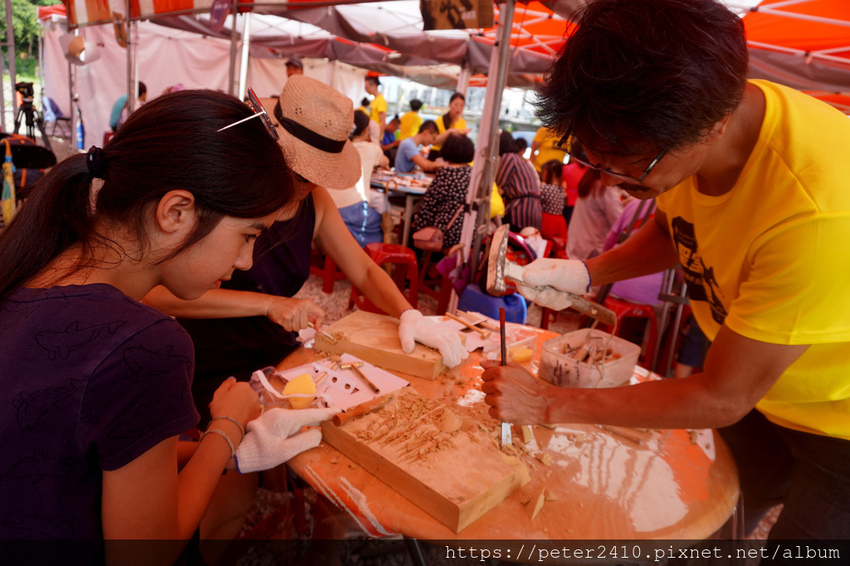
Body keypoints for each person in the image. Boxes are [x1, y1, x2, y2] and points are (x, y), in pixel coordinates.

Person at [482, 0, 850, 543]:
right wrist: (588, 273)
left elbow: (723, 395)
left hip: (837, 419)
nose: (610, 181)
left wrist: (551, 402)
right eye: (596, 158)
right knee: (707, 529)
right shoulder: (692, 127)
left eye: (629, 163)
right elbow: (675, 230)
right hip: (760, 395)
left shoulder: (817, 211)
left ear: (714, 125)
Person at [0, 90, 331, 560]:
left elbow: (74, 456)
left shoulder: (29, 268)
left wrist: (222, 444)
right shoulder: (145, 345)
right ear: (176, 212)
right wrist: (227, 426)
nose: (245, 260)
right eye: (248, 234)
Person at [144, 76, 466, 426]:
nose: (304, 185)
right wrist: (268, 304)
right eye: (298, 173)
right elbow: (155, 294)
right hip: (212, 354)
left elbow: (365, 270)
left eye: (314, 175)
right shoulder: (224, 190)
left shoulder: (314, 201)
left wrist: (409, 315)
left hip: (277, 349)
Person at [328, 111, 388, 246]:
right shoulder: (372, 148)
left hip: (328, 207)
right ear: (367, 130)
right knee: (381, 222)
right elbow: (385, 162)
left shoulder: (335, 146)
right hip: (353, 211)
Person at [410, 133, 476, 250]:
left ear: (447, 150)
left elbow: (428, 206)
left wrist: (417, 227)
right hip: (469, 232)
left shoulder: (446, 173)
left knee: (412, 228)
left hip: (444, 234)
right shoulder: (473, 174)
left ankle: (415, 265)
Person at [565, 167, 624, 261]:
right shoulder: (604, 188)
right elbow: (620, 223)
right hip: (592, 249)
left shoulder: (590, 181)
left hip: (577, 246)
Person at [495, 131, 542, 231]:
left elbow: (500, 188)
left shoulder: (508, 157)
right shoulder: (518, 158)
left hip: (521, 210)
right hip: (533, 210)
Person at [427, 92, 466, 161]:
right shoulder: (440, 120)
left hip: (452, 158)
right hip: (437, 155)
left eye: (461, 105)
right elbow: (433, 141)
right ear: (450, 105)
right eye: (456, 104)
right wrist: (449, 131)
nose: (458, 108)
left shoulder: (462, 122)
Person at [538, 159, 567, 252]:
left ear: (549, 173)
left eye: (543, 173)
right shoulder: (561, 189)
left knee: (544, 247)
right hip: (560, 222)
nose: (542, 175)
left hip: (547, 221)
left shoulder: (546, 188)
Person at [365, 75, 387, 142]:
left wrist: (378, 138)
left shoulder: (380, 100)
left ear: (374, 85)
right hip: (372, 134)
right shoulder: (374, 100)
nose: (366, 90)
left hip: (376, 136)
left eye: (367, 87)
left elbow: (382, 121)